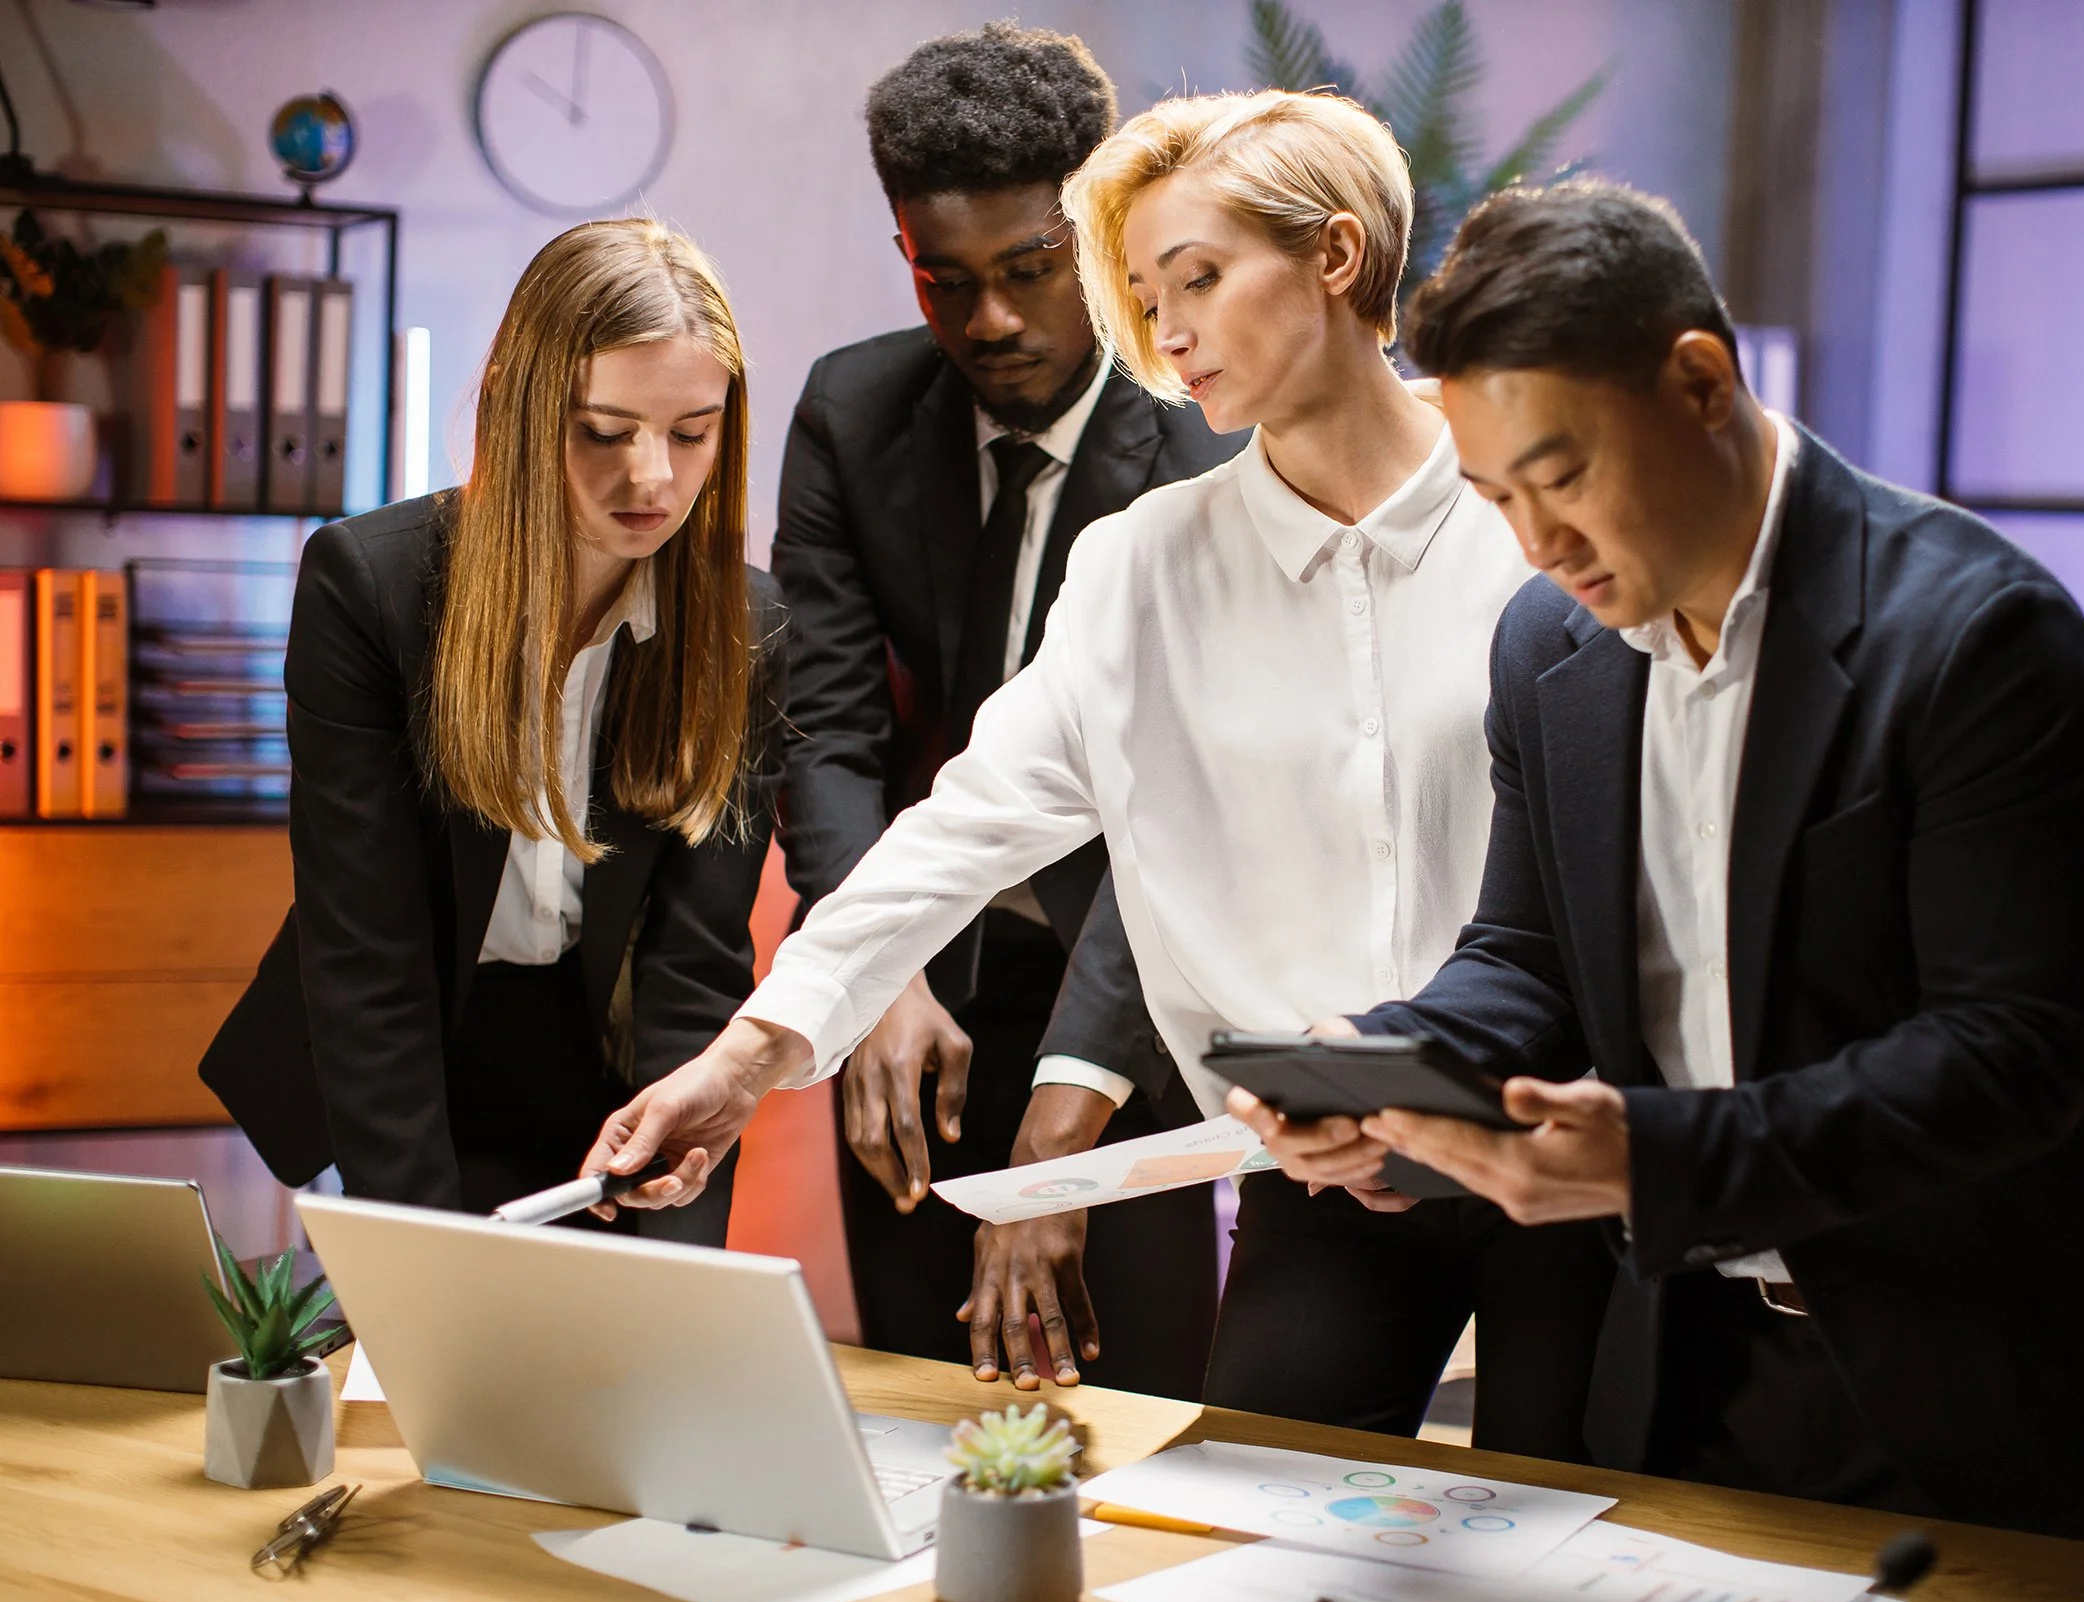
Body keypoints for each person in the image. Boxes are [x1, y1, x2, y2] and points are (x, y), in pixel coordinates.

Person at [582, 90, 1619, 1458]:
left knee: (1588, 1542)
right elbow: (965, 824)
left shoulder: (1542, 514)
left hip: (1569, 1144)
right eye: (1143, 291)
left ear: (1338, 255)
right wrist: (749, 1054)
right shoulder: (1143, 566)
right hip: (1322, 1167)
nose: (1166, 327)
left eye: (1196, 277)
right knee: (1247, 1513)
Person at [1232, 181, 2084, 1544]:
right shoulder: (1550, 647)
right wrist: (1385, 1059)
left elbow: (2008, 1055)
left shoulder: (1979, 636)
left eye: (1564, 476)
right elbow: (1529, 956)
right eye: (1496, 497)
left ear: (1701, 381)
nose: (1538, 545)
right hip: (1689, 1357)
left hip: (1979, 1363)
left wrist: (1653, 1158)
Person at [771, 23, 1242, 1395]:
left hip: (1137, 967)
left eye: (1031, 272)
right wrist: (880, 970)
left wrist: (1070, 1114)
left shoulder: (1208, 446)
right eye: (944, 281)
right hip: (928, 975)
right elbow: (826, 725)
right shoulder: (854, 413)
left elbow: (1182, 804)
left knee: (1133, 1406)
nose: (989, 321)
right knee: (918, 1408)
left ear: (1099, 237)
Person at [201, 220, 786, 1246]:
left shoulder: (749, 629)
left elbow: (694, 964)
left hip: (598, 1065)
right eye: (605, 430)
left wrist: (681, 1256)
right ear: (523, 411)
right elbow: (366, 958)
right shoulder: (371, 587)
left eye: (690, 432)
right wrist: (427, 1274)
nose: (651, 477)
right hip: (405, 1056)